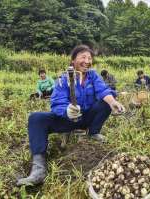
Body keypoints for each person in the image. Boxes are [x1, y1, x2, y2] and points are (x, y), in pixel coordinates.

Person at [17, 45, 125, 186]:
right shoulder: (63, 79)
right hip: (67, 119)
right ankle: (39, 169)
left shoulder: (93, 75)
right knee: (36, 118)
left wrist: (113, 102)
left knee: (106, 102)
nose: (87, 61)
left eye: (89, 58)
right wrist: (66, 110)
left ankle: (93, 132)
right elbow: (57, 102)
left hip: (87, 117)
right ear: (73, 60)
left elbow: (102, 90)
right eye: (83, 57)